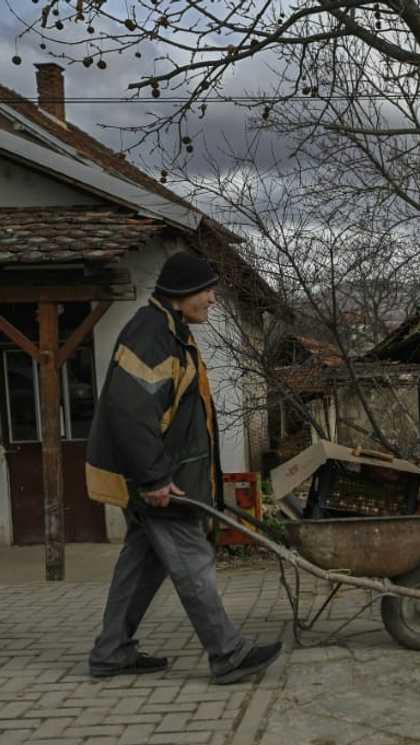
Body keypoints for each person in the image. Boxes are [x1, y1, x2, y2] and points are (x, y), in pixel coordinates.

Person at [84, 251, 282, 684]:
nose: (212, 298)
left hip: (166, 476)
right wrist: (154, 478)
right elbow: (129, 412)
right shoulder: (151, 334)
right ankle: (228, 654)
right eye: (207, 290)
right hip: (161, 480)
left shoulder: (167, 330)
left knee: (142, 564)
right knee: (192, 561)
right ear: (181, 293)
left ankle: (112, 651)